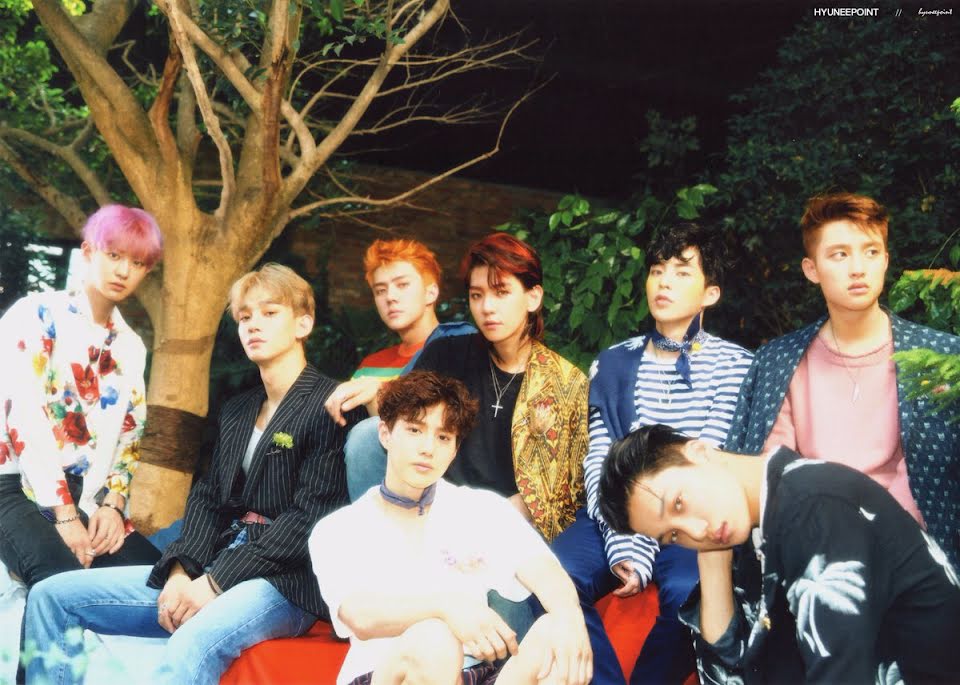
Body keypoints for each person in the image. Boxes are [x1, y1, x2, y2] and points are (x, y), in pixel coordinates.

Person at [23, 264, 360, 685]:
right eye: (244, 316)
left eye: (270, 313)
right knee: (52, 597)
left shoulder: (332, 404)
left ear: (303, 324)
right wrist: (182, 570)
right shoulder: (239, 409)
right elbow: (208, 498)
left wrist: (215, 583)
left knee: (190, 642)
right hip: (215, 560)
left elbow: (307, 521)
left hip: (286, 582)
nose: (253, 325)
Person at [598, 423, 960, 684]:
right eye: (673, 535)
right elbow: (727, 669)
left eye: (679, 502)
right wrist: (712, 558)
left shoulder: (813, 506)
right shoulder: (752, 522)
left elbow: (840, 674)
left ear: (700, 452)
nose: (695, 531)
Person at [551, 223, 752, 684]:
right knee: (555, 575)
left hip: (694, 519)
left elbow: (709, 463)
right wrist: (626, 537)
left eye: (681, 272)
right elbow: (600, 459)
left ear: (711, 293)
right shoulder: (614, 360)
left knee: (688, 591)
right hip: (615, 513)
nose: (664, 282)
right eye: (657, 270)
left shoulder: (736, 364)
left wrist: (653, 533)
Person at [310, 370, 593, 685]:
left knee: (557, 632)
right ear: (385, 434)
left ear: (455, 449)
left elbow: (545, 571)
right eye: (415, 430)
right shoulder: (339, 529)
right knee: (435, 638)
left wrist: (570, 618)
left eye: (443, 437)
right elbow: (359, 616)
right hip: (387, 673)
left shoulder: (480, 509)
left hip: (475, 674)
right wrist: (447, 607)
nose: (428, 448)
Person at [724, 193, 960, 568]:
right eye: (839, 254)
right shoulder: (779, 363)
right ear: (811, 269)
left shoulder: (939, 356)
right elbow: (771, 473)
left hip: (916, 550)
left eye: (871, 252)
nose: (858, 268)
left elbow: (934, 477)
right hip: (815, 547)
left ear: (886, 260)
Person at [346, 232, 588, 543]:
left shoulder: (564, 382)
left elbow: (545, 494)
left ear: (533, 297)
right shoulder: (447, 352)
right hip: (431, 507)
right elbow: (401, 427)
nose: (487, 307)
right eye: (477, 295)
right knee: (367, 435)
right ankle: (377, 540)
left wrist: (472, 530)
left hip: (507, 528)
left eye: (501, 292)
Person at [0, 204, 164, 589]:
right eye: (114, 255)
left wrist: (112, 505)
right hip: (12, 484)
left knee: (156, 583)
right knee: (62, 584)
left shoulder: (131, 347)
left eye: (137, 262)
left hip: (85, 498)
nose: (123, 271)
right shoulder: (35, 315)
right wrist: (66, 516)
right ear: (88, 251)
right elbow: (25, 419)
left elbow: (131, 433)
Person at [324, 238, 474, 428]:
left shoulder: (460, 347)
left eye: (402, 285)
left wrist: (379, 393)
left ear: (431, 293)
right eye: (380, 290)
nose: (390, 297)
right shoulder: (369, 367)